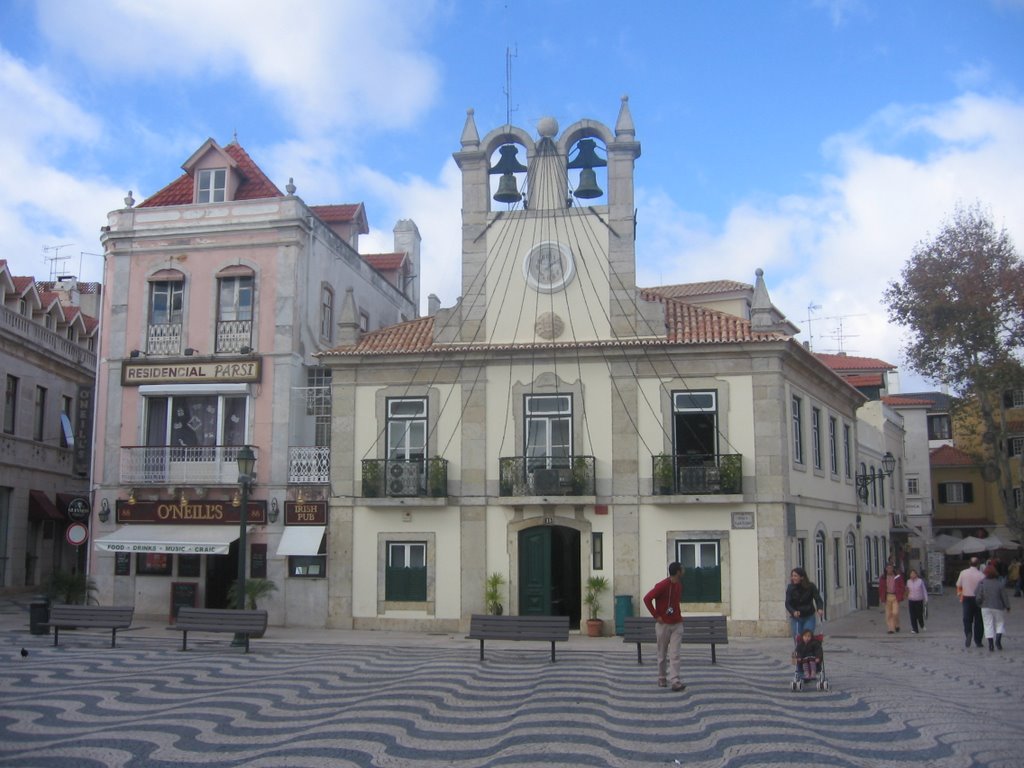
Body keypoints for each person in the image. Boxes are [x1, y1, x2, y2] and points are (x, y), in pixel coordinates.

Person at [643, 561, 686, 692]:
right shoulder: (662, 585)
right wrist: (656, 615)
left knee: (675, 653)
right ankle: (662, 677)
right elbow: (647, 598)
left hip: (677, 624)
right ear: (678, 572)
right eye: (682, 569)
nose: (684, 571)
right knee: (662, 653)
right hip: (663, 625)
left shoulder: (679, 585)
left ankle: (675, 680)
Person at [976, 564, 1011, 651]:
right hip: (997, 606)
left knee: (988, 624)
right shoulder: (1000, 584)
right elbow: (1004, 596)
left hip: (985, 606)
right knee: (1000, 623)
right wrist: (1007, 606)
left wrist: (979, 603)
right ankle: (998, 641)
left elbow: (978, 596)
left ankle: (990, 644)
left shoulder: (982, 583)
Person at [785, 567, 824, 642]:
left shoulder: (811, 586)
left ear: (802, 577)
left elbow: (818, 599)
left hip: (809, 616)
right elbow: (787, 603)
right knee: (798, 639)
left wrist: (820, 608)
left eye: (795, 576)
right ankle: (799, 653)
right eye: (792, 576)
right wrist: (793, 612)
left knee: (807, 638)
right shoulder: (790, 588)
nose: (793, 578)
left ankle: (807, 651)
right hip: (796, 618)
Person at [956, 557, 986, 648]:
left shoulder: (963, 573)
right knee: (979, 620)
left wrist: (960, 593)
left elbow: (958, 584)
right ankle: (978, 640)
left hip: (966, 598)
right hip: (978, 599)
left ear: (969, 563)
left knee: (967, 619)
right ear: (978, 564)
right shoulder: (981, 575)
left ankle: (968, 633)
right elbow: (984, 589)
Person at [878, 564, 906, 634]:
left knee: (895, 613)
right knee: (889, 614)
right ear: (886, 569)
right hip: (887, 596)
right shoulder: (883, 577)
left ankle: (897, 624)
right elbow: (881, 588)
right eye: (888, 568)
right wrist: (881, 597)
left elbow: (902, 586)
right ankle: (891, 628)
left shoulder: (897, 577)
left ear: (893, 569)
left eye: (891, 568)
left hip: (895, 597)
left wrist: (901, 594)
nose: (889, 569)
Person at [905, 568, 928, 633]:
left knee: (919, 614)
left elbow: (924, 590)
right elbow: (907, 591)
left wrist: (926, 599)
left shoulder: (920, 581)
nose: (912, 575)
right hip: (911, 600)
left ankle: (922, 624)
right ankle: (915, 629)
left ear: (916, 574)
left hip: (919, 600)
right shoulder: (908, 581)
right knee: (912, 615)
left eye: (914, 574)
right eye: (911, 574)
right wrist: (906, 594)